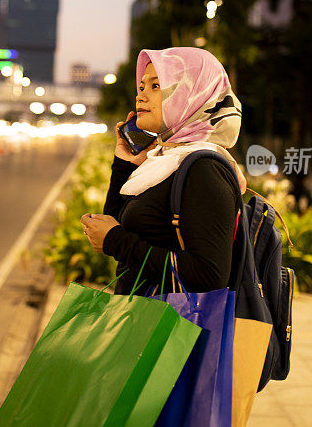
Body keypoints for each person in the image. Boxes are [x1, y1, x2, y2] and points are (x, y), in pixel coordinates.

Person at [81, 47, 247, 295]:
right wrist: (124, 163)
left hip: (174, 329)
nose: (141, 96)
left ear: (192, 93)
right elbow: (118, 223)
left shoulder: (204, 169)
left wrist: (116, 241)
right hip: (141, 323)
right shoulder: (167, 159)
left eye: (156, 86)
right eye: (141, 87)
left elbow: (208, 275)